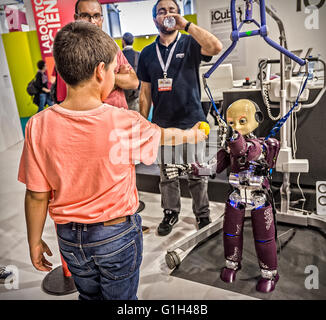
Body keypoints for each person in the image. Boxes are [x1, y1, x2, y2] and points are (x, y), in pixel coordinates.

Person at [18, 21, 207, 300]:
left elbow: (36, 195)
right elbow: (166, 136)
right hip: (115, 236)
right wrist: (192, 135)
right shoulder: (123, 121)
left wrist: (34, 240)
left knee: (89, 297)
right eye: (113, 69)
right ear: (100, 71)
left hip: (69, 239)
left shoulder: (37, 125)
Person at [164, 99, 281, 293]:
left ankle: (269, 273)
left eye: (242, 121)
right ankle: (232, 264)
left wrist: (232, 136)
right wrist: (185, 169)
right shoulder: (230, 149)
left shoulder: (261, 146)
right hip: (237, 195)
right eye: (232, 122)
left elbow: (247, 151)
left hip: (259, 196)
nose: (236, 127)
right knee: (230, 233)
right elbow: (211, 168)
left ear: (257, 119)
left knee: (264, 238)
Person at [137, 0, 223, 236]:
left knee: (198, 174)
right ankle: (171, 212)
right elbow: (144, 93)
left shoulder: (190, 42)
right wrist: (142, 126)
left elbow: (216, 46)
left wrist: (186, 25)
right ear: (155, 19)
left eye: (173, 10)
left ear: (179, 15)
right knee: (168, 176)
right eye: (162, 11)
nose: (167, 14)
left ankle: (202, 214)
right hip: (163, 126)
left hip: (193, 122)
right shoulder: (146, 54)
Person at [51, 0, 139, 109]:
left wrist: (102, 78)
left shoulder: (112, 47)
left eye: (96, 16)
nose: (92, 22)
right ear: (76, 17)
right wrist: (114, 79)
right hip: (87, 119)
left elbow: (133, 82)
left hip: (119, 116)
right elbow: (73, 96)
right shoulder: (67, 51)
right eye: (85, 16)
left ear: (102, 18)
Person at [122, 32, 141, 111]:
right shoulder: (139, 55)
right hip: (136, 95)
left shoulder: (119, 56)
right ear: (133, 41)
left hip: (122, 96)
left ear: (123, 41)